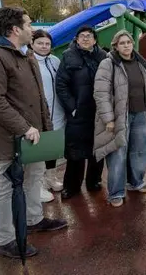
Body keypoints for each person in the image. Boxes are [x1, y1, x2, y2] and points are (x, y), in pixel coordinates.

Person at [0, 7, 67, 259]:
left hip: (33, 135)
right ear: (15, 29)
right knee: (6, 187)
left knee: (34, 178)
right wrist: (23, 128)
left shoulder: (24, 55)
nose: (31, 28)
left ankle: (33, 219)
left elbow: (37, 97)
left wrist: (44, 128)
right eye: (28, 24)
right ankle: (5, 239)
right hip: (12, 137)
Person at [93, 30, 146, 207]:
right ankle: (116, 192)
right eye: (122, 43)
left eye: (128, 42)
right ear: (116, 46)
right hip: (119, 116)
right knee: (118, 153)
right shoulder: (108, 64)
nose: (126, 45)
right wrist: (109, 119)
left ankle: (136, 182)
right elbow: (101, 93)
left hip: (140, 113)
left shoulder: (140, 62)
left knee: (139, 150)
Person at [56, 25, 107, 200]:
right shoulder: (68, 57)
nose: (86, 39)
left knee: (97, 148)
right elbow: (61, 85)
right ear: (77, 39)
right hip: (79, 111)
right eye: (82, 36)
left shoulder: (103, 56)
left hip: (99, 110)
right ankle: (71, 186)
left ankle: (94, 181)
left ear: (95, 40)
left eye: (89, 36)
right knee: (75, 151)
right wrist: (72, 106)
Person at [31, 30, 66, 203]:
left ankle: (51, 177)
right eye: (40, 43)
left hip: (57, 111)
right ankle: (37, 185)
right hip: (39, 113)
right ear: (32, 44)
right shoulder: (29, 62)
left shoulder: (55, 61)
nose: (44, 47)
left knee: (53, 148)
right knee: (38, 150)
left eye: (47, 44)